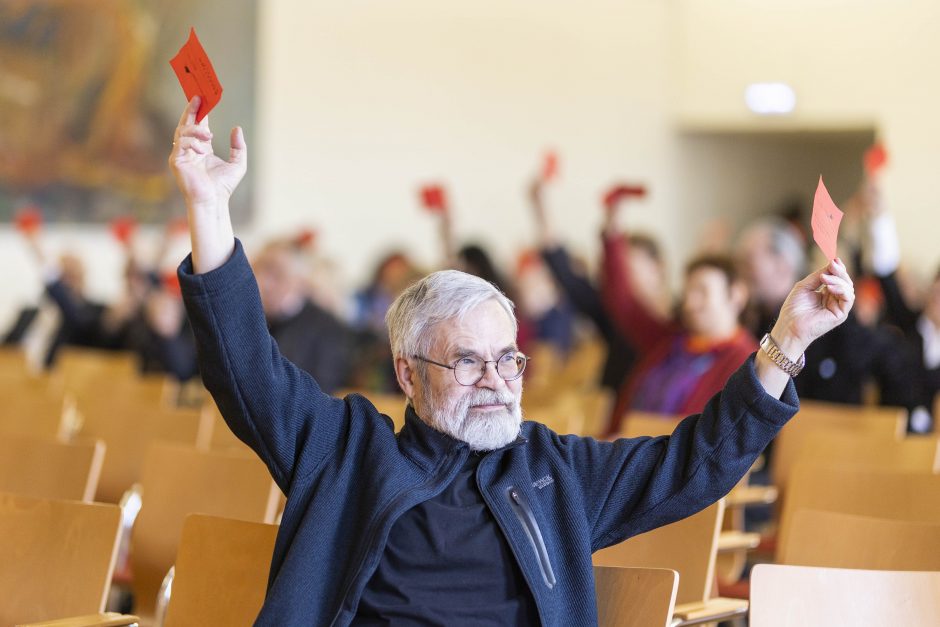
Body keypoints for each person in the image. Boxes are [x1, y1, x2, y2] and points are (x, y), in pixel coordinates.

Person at [169, 97, 854, 625]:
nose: (497, 382)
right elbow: (245, 369)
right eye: (468, 363)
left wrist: (786, 341)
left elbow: (694, 462)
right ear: (409, 373)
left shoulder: (556, 473)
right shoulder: (346, 451)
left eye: (509, 360)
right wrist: (208, 205)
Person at [601, 201, 756, 435]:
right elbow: (624, 304)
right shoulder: (671, 340)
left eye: (702, 292)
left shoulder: (745, 360)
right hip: (622, 451)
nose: (690, 303)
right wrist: (613, 233)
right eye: (688, 292)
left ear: (736, 295)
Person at [735, 216, 914, 411]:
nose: (740, 272)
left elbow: (887, 358)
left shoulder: (824, 313)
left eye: (747, 262)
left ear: (782, 265)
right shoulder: (750, 321)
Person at [253, 239, 355, 394]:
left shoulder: (327, 328)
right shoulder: (248, 318)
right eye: (257, 271)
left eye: (276, 274)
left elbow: (321, 392)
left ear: (299, 280)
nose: (263, 283)